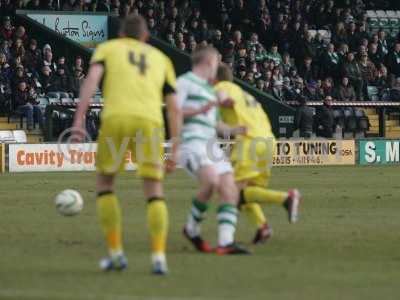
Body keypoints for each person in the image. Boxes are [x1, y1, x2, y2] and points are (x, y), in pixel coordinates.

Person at [72, 15, 182, 275]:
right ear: (145, 37)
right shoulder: (161, 59)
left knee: (106, 184)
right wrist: (176, 145)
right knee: (154, 190)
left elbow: (91, 80)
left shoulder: (107, 49)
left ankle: (116, 254)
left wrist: (79, 119)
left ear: (121, 35)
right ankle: (158, 258)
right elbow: (175, 107)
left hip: (115, 118)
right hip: (150, 123)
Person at [214, 63, 301, 244]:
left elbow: (221, 96)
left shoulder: (221, 86)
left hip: (250, 141)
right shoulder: (243, 92)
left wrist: (221, 101)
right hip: (268, 141)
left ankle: (286, 198)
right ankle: (262, 227)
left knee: (232, 192)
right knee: (246, 193)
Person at [178, 47, 250, 255]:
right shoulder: (184, 82)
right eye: (217, 63)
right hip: (191, 143)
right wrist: (200, 109)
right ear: (209, 62)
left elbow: (216, 125)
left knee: (229, 188)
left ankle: (225, 242)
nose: (218, 68)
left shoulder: (211, 90)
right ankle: (192, 228)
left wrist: (235, 130)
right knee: (212, 181)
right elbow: (174, 111)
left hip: (210, 145)